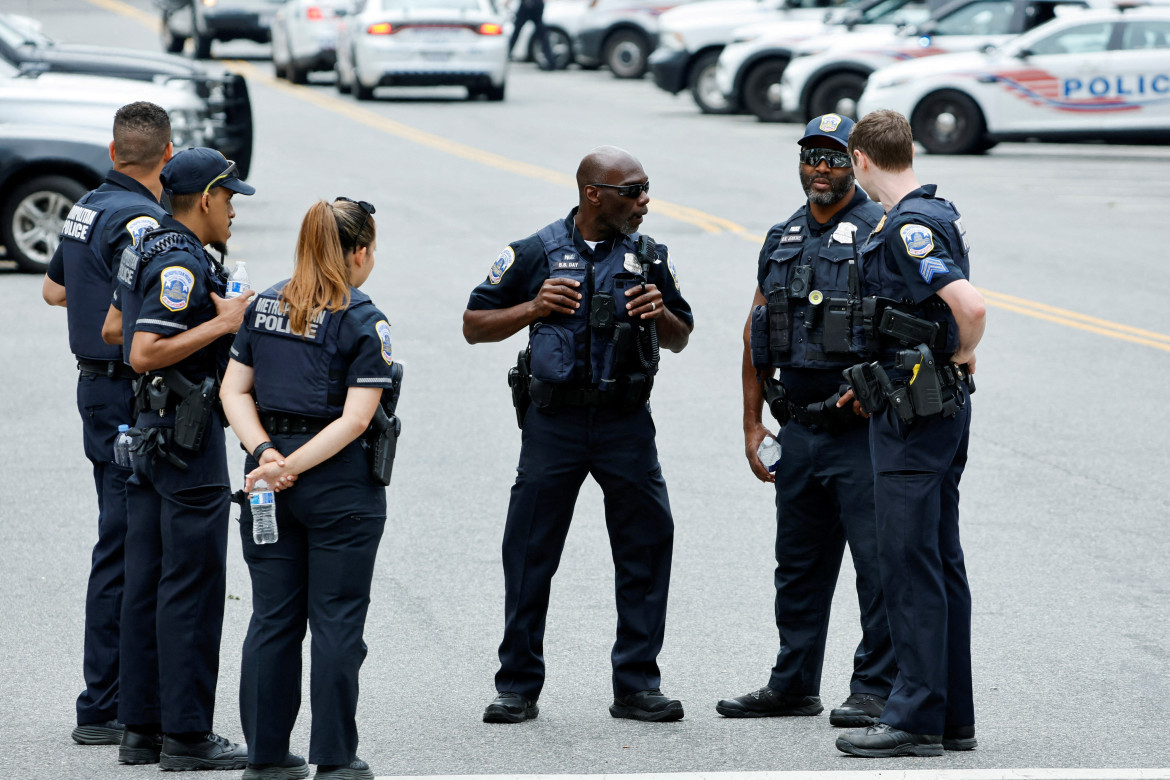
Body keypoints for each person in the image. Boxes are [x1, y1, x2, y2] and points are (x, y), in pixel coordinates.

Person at [463, 146, 694, 724]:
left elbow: (681, 334)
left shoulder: (648, 255)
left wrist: (659, 311)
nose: (645, 201)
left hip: (625, 422)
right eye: (632, 191)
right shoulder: (534, 252)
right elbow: (473, 325)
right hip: (554, 425)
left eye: (646, 188)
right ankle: (516, 686)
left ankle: (637, 685)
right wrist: (532, 308)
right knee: (529, 551)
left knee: (645, 545)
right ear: (594, 194)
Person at [717, 114, 896, 725]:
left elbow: (912, 328)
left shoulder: (881, 230)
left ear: (854, 163)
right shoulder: (782, 235)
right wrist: (751, 424)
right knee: (797, 567)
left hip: (860, 435)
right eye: (811, 156)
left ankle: (875, 687)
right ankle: (793, 683)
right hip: (797, 430)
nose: (821, 168)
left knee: (876, 568)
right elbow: (757, 328)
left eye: (834, 158)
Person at [220, 198, 398, 780]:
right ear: (359, 252)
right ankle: (335, 758)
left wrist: (267, 457)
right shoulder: (362, 319)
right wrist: (291, 463)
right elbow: (354, 420)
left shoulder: (266, 304)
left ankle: (265, 756)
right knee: (337, 622)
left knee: (272, 619)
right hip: (338, 486)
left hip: (267, 481)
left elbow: (233, 392)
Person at [835, 109, 986, 758]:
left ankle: (917, 718)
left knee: (909, 564)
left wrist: (960, 352)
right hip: (934, 412)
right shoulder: (938, 212)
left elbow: (970, 307)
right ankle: (952, 716)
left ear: (861, 161)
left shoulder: (909, 227)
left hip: (915, 416)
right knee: (940, 561)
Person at [112, 147, 255, 770]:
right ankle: (188, 736)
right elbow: (142, 349)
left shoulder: (147, 245)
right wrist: (225, 324)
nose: (232, 212)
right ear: (204, 199)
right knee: (192, 588)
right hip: (183, 440)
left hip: (151, 431)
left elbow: (114, 324)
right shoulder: (180, 260)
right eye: (229, 199)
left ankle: (142, 728)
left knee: (146, 584)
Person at [41, 101, 172, 748]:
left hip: (94, 386)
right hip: (124, 390)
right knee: (127, 545)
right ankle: (103, 703)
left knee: (120, 538)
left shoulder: (86, 206)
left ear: (114, 151)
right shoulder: (143, 221)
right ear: (167, 158)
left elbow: (54, 290)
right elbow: (143, 301)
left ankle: (117, 693)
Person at [508, 0, 556, 71]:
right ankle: (551, 61)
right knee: (541, 34)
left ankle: (505, 55)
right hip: (535, 4)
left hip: (529, 5)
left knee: (517, 32)